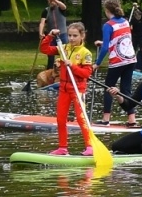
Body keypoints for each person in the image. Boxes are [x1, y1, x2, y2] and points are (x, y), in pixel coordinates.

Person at [38, 22, 98, 157]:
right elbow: (45, 49)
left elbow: (86, 74)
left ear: (82, 35)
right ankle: (63, 148)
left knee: (81, 117)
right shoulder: (63, 48)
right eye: (69, 35)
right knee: (60, 118)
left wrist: (72, 66)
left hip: (78, 88)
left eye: (75, 36)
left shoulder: (85, 53)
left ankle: (90, 146)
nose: (71, 38)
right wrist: (49, 36)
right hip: (64, 88)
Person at [95, 0, 140, 127]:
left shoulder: (108, 25)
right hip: (131, 59)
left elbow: (105, 49)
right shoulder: (125, 22)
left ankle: (106, 119)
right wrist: (104, 42)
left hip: (118, 61)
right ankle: (132, 119)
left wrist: (97, 63)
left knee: (108, 87)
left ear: (107, 10)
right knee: (126, 89)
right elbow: (119, 40)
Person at [37, 0, 69, 72]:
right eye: (49, 0)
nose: (51, 2)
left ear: (56, 0)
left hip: (63, 35)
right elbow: (42, 22)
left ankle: (65, 71)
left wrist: (55, 1)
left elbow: (64, 6)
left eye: (53, 0)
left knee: (65, 54)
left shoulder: (61, 8)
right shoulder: (46, 11)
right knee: (50, 56)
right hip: (51, 36)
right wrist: (41, 32)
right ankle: (50, 72)